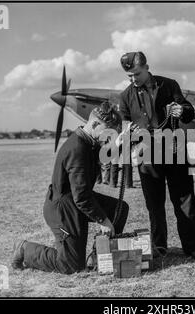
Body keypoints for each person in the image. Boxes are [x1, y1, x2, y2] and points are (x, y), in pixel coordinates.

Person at [11, 102, 129, 274]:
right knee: (71, 265)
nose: (109, 138)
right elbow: (81, 197)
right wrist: (102, 220)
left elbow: (102, 156)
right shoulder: (77, 148)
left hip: (76, 201)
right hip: (63, 208)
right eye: (108, 133)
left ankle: (100, 255)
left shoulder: (89, 141)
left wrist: (122, 144)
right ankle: (25, 249)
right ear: (95, 124)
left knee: (119, 209)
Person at [118, 51, 195, 259]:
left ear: (147, 68)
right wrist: (129, 133)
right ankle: (159, 247)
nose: (133, 79)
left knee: (184, 200)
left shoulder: (169, 85)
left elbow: (189, 110)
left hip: (175, 151)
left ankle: (193, 248)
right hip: (147, 157)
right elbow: (125, 125)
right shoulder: (125, 96)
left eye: (136, 74)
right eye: (129, 76)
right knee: (154, 205)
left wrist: (181, 111)